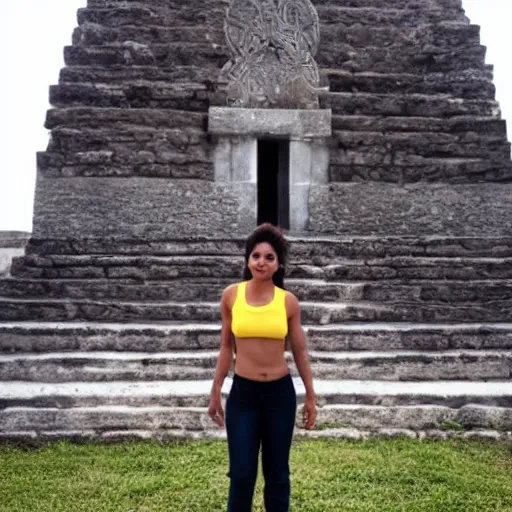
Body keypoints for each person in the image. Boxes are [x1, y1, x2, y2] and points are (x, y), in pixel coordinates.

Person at [208, 223, 317, 512]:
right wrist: (216, 390)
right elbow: (225, 347)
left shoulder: (288, 302)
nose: (261, 262)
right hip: (243, 395)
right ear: (248, 259)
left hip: (279, 396)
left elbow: (300, 351)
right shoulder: (232, 296)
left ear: (279, 264)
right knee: (242, 475)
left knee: (278, 474)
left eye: (270, 257)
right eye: (256, 255)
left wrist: (310, 396)